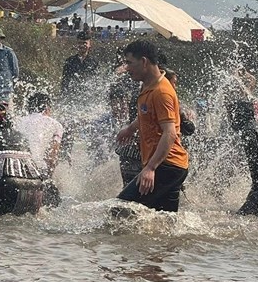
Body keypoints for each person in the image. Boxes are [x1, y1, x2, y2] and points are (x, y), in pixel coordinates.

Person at [115, 40, 190, 212]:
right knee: (165, 220)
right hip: (171, 166)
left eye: (129, 63)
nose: (126, 68)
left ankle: (117, 241)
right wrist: (131, 128)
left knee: (120, 210)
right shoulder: (148, 85)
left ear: (144, 62)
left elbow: (169, 133)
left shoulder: (161, 92)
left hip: (167, 165)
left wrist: (150, 168)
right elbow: (147, 114)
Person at [61, 31, 99, 97]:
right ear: (76, 44)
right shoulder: (70, 61)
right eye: (79, 43)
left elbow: (97, 81)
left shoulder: (94, 62)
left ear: (89, 44)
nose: (82, 45)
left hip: (89, 96)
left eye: (84, 43)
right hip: (72, 96)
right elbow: (65, 81)